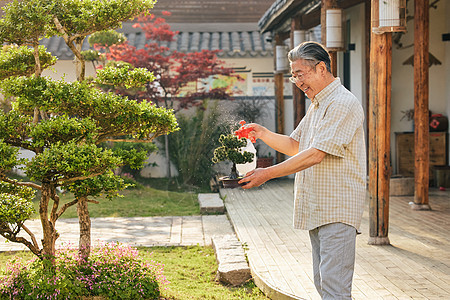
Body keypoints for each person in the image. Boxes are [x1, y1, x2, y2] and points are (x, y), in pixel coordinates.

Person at [239, 41, 366, 299]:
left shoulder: (341, 103)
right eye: (293, 76)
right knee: (324, 283)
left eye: (299, 74)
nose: (296, 81)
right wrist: (262, 133)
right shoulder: (318, 105)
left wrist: (267, 174)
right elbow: (297, 145)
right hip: (319, 208)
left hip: (337, 209)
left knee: (334, 288)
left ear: (321, 68)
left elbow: (316, 154)